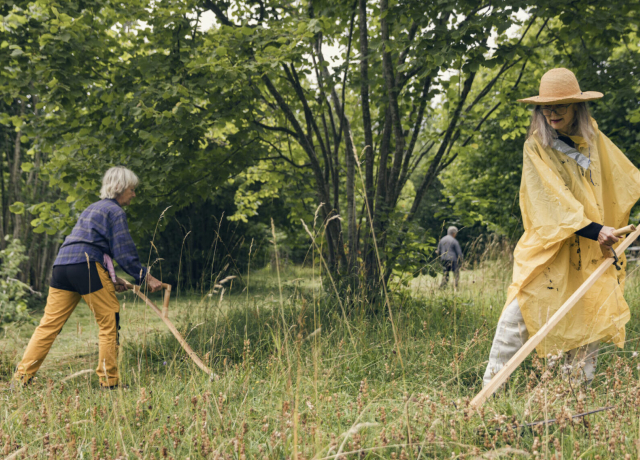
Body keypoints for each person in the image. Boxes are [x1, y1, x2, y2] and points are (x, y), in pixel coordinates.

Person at [483, 68, 640, 387]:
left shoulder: (594, 139)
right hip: (549, 249)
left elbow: (621, 177)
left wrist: (600, 231)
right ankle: (489, 392)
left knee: (589, 316)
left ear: (576, 108)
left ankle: (570, 402)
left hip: (592, 251)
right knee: (518, 315)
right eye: (546, 107)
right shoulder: (536, 146)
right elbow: (550, 201)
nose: (551, 113)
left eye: (560, 106)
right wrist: (595, 228)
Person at [13, 166, 163, 389]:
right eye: (132, 189)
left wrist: (111, 278)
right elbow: (123, 251)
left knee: (48, 325)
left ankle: (20, 380)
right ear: (120, 188)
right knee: (109, 322)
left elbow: (92, 245)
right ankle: (109, 383)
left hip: (62, 265)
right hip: (85, 266)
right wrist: (144, 276)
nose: (134, 194)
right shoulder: (115, 212)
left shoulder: (92, 208)